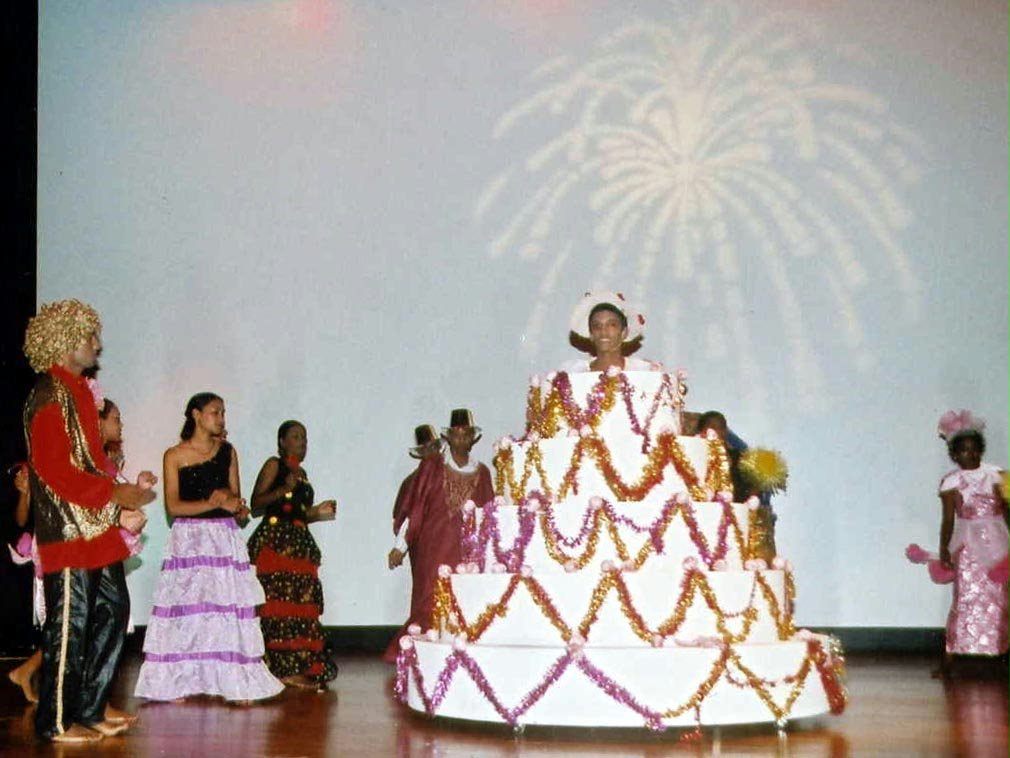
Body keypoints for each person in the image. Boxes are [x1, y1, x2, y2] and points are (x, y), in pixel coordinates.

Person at [21, 299, 155, 742]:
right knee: (70, 626)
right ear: (64, 340)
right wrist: (114, 495)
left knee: (113, 610)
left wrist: (121, 505)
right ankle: (56, 720)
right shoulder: (48, 394)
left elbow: (93, 464)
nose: (98, 345)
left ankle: (91, 707)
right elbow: (55, 471)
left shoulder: (76, 392)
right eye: (89, 336)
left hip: (95, 528)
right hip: (67, 530)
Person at [134, 393, 283, 703]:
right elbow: (173, 507)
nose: (221, 418)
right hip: (189, 541)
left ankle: (236, 682)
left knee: (226, 611)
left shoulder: (228, 451)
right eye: (215, 412)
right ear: (196, 415)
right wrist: (211, 502)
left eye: (223, 412)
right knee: (187, 611)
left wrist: (236, 507)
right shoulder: (174, 455)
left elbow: (239, 508)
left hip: (223, 539)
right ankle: (176, 682)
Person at [384, 410, 494, 660]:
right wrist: (400, 546)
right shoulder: (432, 468)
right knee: (428, 599)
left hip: (466, 551)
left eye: (467, 434)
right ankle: (423, 653)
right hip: (433, 546)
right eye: (456, 434)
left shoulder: (483, 473)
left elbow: (489, 516)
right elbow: (415, 507)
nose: (461, 439)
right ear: (449, 437)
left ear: (473, 438)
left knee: (463, 598)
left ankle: (458, 651)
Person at [247, 420, 338, 690]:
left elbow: (295, 512)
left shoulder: (303, 473)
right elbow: (256, 504)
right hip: (277, 543)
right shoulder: (274, 465)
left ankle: (298, 666)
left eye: (305, 437)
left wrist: (316, 512)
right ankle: (280, 668)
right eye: (296, 436)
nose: (302, 442)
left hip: (299, 543)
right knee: (279, 605)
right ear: (282, 441)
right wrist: (284, 488)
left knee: (301, 605)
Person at [935, 410, 1010, 669]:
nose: (971, 455)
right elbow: (948, 520)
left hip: (997, 541)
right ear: (954, 455)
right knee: (965, 596)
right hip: (968, 546)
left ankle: (998, 648)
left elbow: (1008, 509)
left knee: (999, 596)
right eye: (964, 451)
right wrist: (944, 547)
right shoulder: (952, 481)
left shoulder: (998, 475)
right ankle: (955, 652)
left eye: (976, 450)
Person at [695, 410, 777, 562]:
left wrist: (753, 494)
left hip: (735, 518)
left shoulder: (739, 458)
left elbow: (753, 487)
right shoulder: (694, 457)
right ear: (701, 432)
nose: (716, 432)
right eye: (710, 427)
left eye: (721, 428)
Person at [562, 291, 663, 373]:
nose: (603, 331)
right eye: (597, 326)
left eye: (612, 325)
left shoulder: (643, 371)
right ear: (591, 334)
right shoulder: (574, 372)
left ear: (624, 332)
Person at [388, 424, 442, 571]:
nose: (431, 453)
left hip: (449, 546)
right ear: (420, 453)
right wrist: (400, 547)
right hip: (423, 549)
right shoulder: (411, 482)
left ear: (439, 447)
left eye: (433, 448)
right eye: (425, 449)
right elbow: (409, 516)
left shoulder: (451, 475)